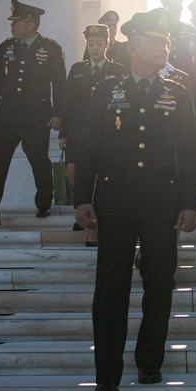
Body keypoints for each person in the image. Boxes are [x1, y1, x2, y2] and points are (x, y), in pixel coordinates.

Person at [74, 7, 196, 391]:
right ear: (133, 46)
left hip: (163, 205)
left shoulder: (178, 91)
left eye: (167, 41)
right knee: (110, 290)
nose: (165, 47)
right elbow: (88, 146)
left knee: (160, 284)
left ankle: (150, 362)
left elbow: (192, 152)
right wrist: (81, 200)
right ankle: (106, 377)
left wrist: (190, 203)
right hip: (115, 203)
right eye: (156, 41)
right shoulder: (106, 90)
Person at [0, 0, 67, 229]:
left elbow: (60, 85)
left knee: (39, 163)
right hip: (6, 117)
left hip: (37, 118)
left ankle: (44, 202)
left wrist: (58, 114)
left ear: (31, 24)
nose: (12, 26)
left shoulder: (51, 48)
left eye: (17, 22)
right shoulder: (7, 47)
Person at [60, 23, 126, 245]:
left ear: (108, 44)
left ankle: (93, 228)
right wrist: (63, 132)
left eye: (99, 43)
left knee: (96, 176)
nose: (95, 47)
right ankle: (82, 211)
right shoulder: (77, 69)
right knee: (72, 170)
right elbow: (67, 102)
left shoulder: (118, 70)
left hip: (104, 130)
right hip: (77, 129)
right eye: (91, 43)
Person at [163, 0, 196, 188]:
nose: (176, 13)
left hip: (192, 92)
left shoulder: (190, 32)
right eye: (172, 10)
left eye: (178, 10)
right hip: (165, 91)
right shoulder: (159, 30)